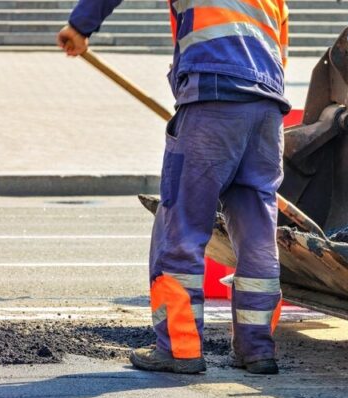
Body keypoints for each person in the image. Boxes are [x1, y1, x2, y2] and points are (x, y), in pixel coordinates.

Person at [57, 0, 290, 375]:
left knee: (181, 227)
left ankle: (179, 348)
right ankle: (258, 350)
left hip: (212, 101)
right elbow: (279, 51)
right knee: (258, 236)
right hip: (267, 111)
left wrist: (80, 26)